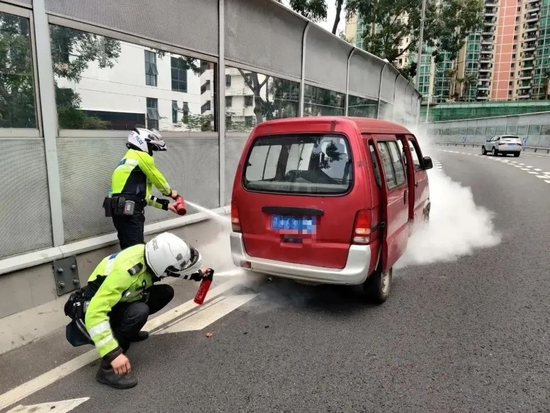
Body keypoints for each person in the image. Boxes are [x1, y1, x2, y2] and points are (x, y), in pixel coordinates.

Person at [64, 232, 213, 389]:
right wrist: (112, 354)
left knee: (165, 293)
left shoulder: (149, 255)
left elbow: (170, 270)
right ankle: (107, 369)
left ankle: (128, 330)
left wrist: (196, 274)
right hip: (92, 314)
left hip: (119, 301)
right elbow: (95, 313)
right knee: (139, 312)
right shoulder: (126, 273)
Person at [103, 127, 182, 250]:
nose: (151, 152)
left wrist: (165, 205)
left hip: (120, 210)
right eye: (151, 147)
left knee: (127, 249)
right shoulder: (140, 156)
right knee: (136, 250)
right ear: (142, 142)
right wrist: (171, 193)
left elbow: (142, 197)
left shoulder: (126, 161)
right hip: (129, 211)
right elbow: (157, 177)